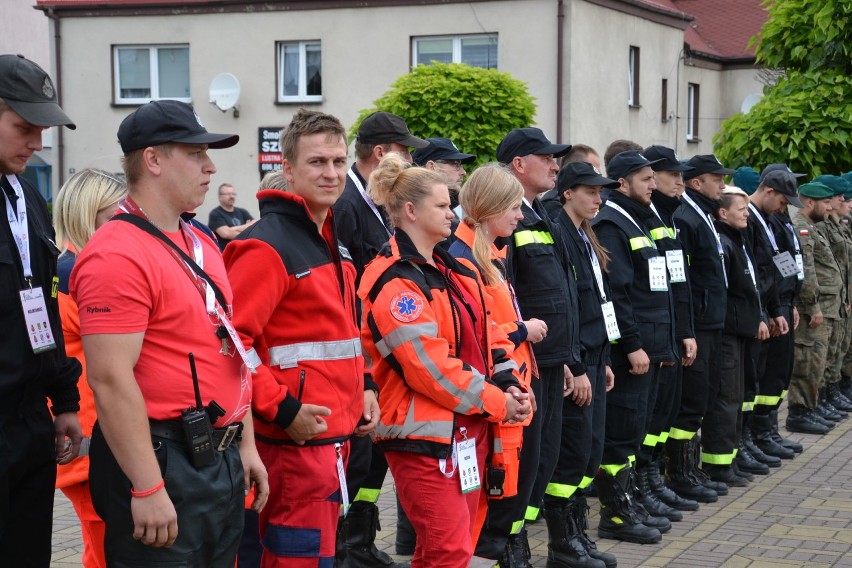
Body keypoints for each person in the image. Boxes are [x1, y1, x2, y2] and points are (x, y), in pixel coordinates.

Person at [71, 99, 268, 566]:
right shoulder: (116, 254)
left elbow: (229, 350)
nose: (210, 166)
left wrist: (245, 443)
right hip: (164, 456)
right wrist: (147, 485)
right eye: (195, 153)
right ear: (153, 160)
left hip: (214, 455)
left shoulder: (198, 240)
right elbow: (110, 379)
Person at [358, 153, 531, 568]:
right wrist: (498, 402)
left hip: (463, 430)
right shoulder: (395, 280)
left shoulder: (454, 270)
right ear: (411, 212)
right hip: (424, 438)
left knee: (448, 549)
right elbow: (430, 368)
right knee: (448, 552)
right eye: (441, 205)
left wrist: (509, 382)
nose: (452, 213)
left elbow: (490, 334)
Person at [224, 109, 375, 568]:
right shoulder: (266, 246)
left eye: (338, 161)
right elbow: (232, 343)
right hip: (290, 446)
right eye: (317, 162)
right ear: (288, 169)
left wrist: (366, 384)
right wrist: (283, 408)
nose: (331, 173)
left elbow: (345, 333)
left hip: (331, 440)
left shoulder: (330, 238)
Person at [481, 127, 581, 568]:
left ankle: (518, 542)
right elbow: (506, 303)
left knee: (541, 463)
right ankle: (508, 548)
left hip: (550, 361)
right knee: (518, 468)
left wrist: (571, 360)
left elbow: (561, 295)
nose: (556, 165)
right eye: (547, 157)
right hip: (521, 366)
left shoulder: (540, 214)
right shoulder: (503, 222)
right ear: (519, 164)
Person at [0, 53, 83, 567]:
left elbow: (44, 306)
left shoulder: (27, 195)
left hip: (31, 423)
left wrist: (65, 401)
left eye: (43, 128)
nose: (37, 142)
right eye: (24, 127)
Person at [331, 110, 424, 568]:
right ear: (382, 152)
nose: (410, 158)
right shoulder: (347, 202)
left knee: (372, 459)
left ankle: (360, 540)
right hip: (359, 355)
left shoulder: (373, 201)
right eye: (405, 150)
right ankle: (346, 545)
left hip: (380, 356)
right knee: (358, 456)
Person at [448, 164, 545, 563]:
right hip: (493, 400)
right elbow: (478, 333)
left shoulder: (488, 254)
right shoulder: (464, 259)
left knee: (502, 499)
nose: (520, 215)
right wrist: (522, 331)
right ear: (488, 209)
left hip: (510, 394)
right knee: (489, 503)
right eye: (512, 207)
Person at [591, 150, 677, 544]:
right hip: (632, 351)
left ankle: (630, 499)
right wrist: (633, 345)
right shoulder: (611, 224)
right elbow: (619, 294)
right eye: (646, 179)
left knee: (638, 429)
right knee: (622, 433)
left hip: (652, 344)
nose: (653, 185)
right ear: (622, 183)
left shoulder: (635, 219)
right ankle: (616, 515)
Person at [540, 161, 621, 567]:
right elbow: (561, 307)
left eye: (600, 191)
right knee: (571, 453)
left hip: (594, 354)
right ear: (568, 192)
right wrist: (574, 364)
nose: (598, 198)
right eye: (590, 191)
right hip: (576, 357)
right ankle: (561, 543)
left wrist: (603, 356)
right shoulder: (558, 232)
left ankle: (576, 533)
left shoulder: (584, 236)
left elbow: (594, 302)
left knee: (589, 452)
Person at [53, 168, 127, 568]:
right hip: (91, 445)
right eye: (116, 217)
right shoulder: (75, 274)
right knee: (106, 552)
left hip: (94, 442)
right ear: (87, 216)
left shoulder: (69, 268)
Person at [667, 154, 737, 504]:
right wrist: (688, 327)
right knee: (691, 400)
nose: (722, 184)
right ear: (697, 183)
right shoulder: (685, 217)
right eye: (716, 178)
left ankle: (689, 467)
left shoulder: (702, 214)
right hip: (698, 324)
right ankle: (678, 472)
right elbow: (684, 280)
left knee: (704, 396)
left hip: (711, 322)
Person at [639, 145, 699, 515]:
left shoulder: (667, 216)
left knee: (664, 414)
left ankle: (653, 479)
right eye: (671, 174)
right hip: (653, 337)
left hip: (672, 332)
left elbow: (678, 282)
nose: (680, 181)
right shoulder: (644, 217)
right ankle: (644, 484)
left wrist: (684, 330)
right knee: (646, 419)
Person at [708, 186, 768, 487]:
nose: (747, 213)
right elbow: (728, 292)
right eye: (740, 209)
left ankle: (731, 456)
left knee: (741, 394)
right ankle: (718, 465)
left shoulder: (737, 238)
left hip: (742, 331)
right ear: (722, 213)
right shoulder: (723, 241)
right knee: (727, 398)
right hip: (729, 333)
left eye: (747, 208)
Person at [742, 169, 802, 467]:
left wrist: (783, 304)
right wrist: (769, 310)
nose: (784, 207)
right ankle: (755, 434)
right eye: (782, 200)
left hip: (776, 306)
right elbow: (754, 272)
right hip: (761, 311)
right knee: (756, 379)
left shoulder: (769, 218)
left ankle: (765, 431)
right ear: (767, 191)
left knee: (775, 373)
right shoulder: (750, 218)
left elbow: (779, 265)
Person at [786, 181, 840, 434]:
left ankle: (811, 408)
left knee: (819, 360)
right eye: (825, 202)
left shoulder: (812, 228)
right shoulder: (802, 229)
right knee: (807, 362)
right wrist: (812, 305)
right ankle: (799, 413)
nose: (830, 207)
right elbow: (805, 271)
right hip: (813, 308)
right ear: (810, 202)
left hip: (827, 304)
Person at [813, 174, 852, 416]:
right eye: (842, 197)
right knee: (823, 352)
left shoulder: (838, 225)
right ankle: (819, 399)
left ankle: (833, 391)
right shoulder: (819, 226)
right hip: (826, 300)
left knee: (839, 346)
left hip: (839, 296)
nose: (846, 202)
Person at [412, 136, 476, 248]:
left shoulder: (458, 206)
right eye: (456, 165)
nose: (463, 172)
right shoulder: (417, 213)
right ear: (431, 166)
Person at [208, 183, 256, 251]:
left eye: (233, 194)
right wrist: (247, 226)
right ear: (220, 197)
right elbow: (226, 234)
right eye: (228, 194)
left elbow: (254, 226)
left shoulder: (242, 212)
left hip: (242, 252)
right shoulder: (215, 214)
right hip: (225, 255)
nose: (231, 196)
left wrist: (232, 230)